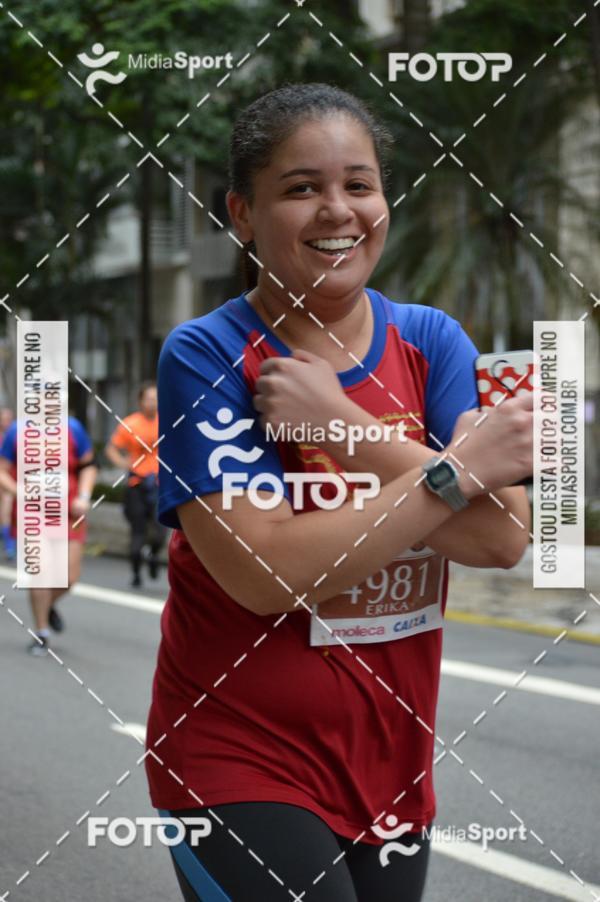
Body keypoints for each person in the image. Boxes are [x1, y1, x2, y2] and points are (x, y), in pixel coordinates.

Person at [145, 83, 533, 901]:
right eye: (301, 188)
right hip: (235, 758)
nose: (338, 211)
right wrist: (454, 472)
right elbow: (266, 573)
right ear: (242, 214)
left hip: (392, 765)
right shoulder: (207, 354)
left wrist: (346, 430)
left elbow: (501, 538)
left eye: (359, 184)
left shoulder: (432, 341)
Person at [0, 413, 97, 655]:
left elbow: (89, 466)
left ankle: (47, 605)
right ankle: (41, 632)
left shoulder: (73, 428)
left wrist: (84, 496)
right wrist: (19, 491)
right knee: (41, 572)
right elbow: (2, 470)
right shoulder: (17, 430)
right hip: (32, 513)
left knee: (69, 578)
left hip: (68, 513)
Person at [105, 381, 166, 588]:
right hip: (136, 484)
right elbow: (111, 449)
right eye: (148, 398)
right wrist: (124, 463)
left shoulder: (167, 421)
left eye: (156, 398)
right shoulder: (130, 424)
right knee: (137, 531)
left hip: (159, 484)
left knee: (160, 531)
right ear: (140, 401)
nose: (152, 402)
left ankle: (153, 554)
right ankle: (136, 572)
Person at [0, 407, 16, 559]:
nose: (7, 422)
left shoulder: (15, 434)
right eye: (4, 419)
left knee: (6, 510)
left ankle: (10, 546)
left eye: (9, 419)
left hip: (8, 480)